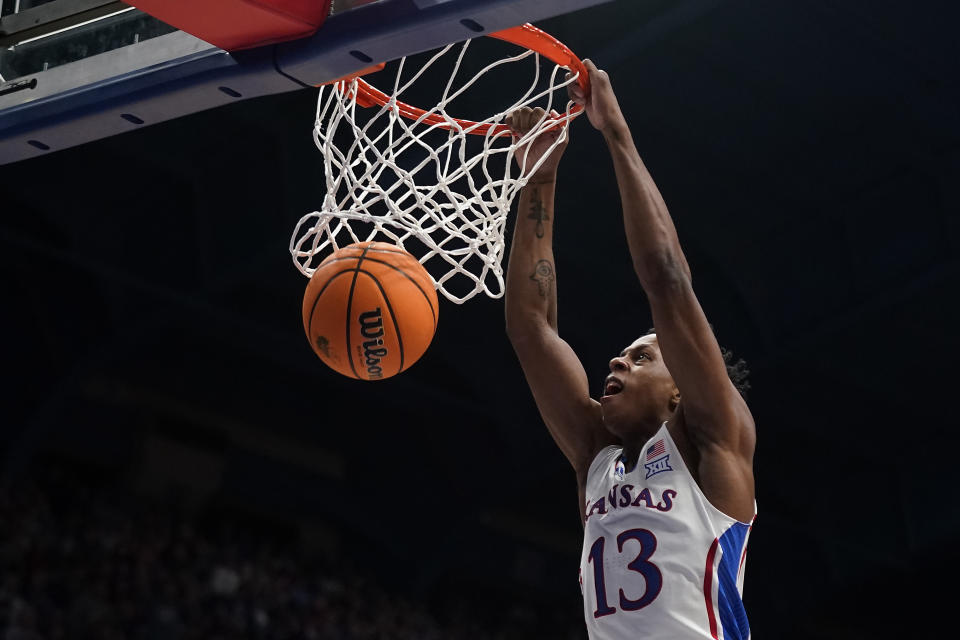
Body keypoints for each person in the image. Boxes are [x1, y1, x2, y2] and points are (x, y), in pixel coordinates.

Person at [504, 60, 757, 640]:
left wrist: (615, 132)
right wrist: (539, 177)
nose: (616, 362)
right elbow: (531, 328)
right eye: (625, 354)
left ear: (681, 389)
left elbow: (667, 278)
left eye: (642, 357)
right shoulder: (598, 458)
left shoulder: (714, 438)